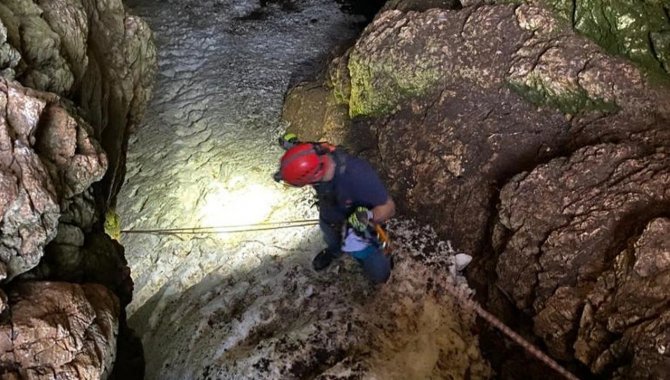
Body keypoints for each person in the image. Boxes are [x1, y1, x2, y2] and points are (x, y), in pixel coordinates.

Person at [274, 134, 395, 284]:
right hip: (330, 216)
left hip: (362, 230)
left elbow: (388, 207)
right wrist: (291, 144)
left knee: (376, 269)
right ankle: (333, 251)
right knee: (331, 238)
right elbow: (300, 151)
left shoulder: (357, 175)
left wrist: (368, 216)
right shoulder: (314, 153)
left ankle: (382, 275)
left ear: (313, 176)